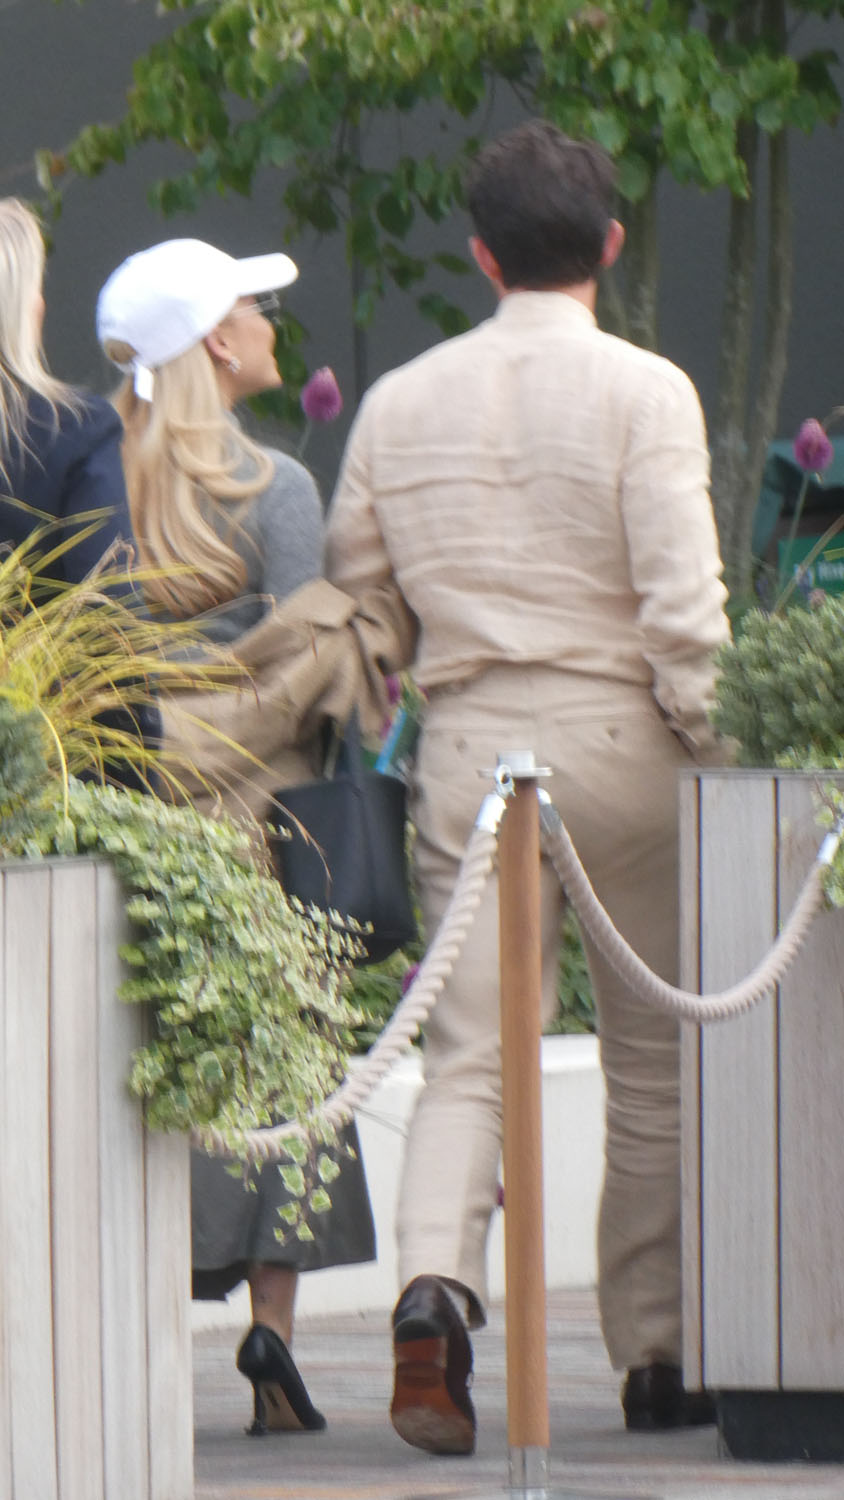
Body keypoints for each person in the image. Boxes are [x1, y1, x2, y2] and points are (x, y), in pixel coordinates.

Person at [325, 118, 732, 1452]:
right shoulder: (648, 392)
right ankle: (657, 1353)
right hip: (623, 742)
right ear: (609, 244)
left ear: (481, 254)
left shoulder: (399, 401)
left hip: (466, 748)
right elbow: (684, 614)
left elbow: (359, 590)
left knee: (468, 1057)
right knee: (653, 1059)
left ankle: (433, 1293)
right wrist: (712, 746)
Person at [95, 236, 383, 1436]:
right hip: (269, 831)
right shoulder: (279, 489)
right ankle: (272, 1341)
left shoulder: (95, 481)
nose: (269, 318)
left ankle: (138, 1345)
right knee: (284, 1073)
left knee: (146, 1071)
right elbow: (311, 668)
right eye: (253, 304)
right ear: (218, 340)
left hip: (133, 826)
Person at [0, 196, 159, 788]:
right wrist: (132, 784)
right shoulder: (72, 429)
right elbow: (107, 616)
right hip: (38, 777)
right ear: (25, 307)